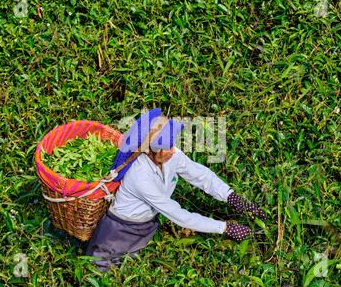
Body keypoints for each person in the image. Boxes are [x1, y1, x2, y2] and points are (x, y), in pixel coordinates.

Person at [86, 109, 266, 271]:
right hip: (120, 229)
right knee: (101, 270)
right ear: (151, 151)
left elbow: (201, 175)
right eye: (166, 148)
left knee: (134, 266)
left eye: (172, 145)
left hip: (146, 225)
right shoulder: (140, 175)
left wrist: (231, 197)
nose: (172, 151)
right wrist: (225, 228)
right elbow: (178, 215)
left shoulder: (170, 154)